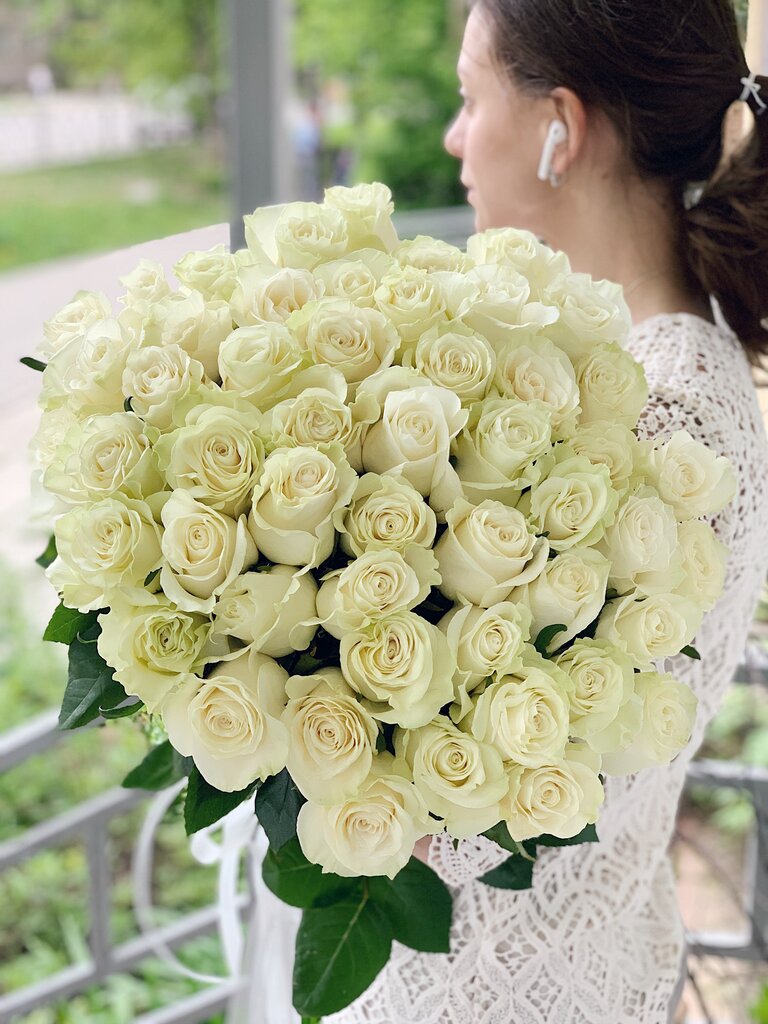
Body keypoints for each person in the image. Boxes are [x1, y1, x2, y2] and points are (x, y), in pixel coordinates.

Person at [327, 2, 768, 1022]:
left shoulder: (659, 418)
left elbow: (461, 811)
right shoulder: (621, 364)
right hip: (575, 965)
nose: (454, 139)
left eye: (470, 98)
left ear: (559, 128)